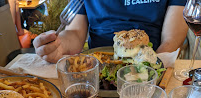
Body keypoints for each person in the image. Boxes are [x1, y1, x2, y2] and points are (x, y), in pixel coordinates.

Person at [33, 0, 188, 63]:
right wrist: (59, 46)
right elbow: (74, 32)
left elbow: (172, 39)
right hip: (97, 66)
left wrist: (150, 69)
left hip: (149, 63)